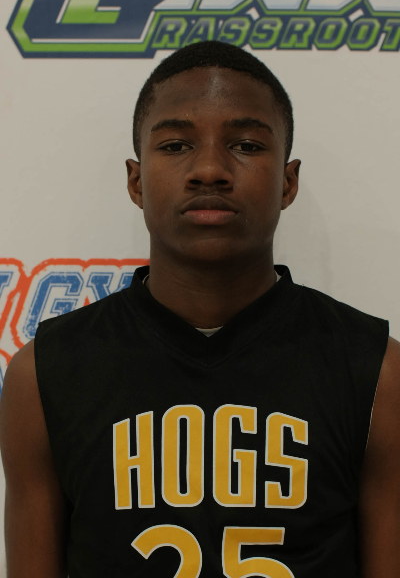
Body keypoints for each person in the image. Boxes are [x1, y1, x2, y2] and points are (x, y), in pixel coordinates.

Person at [0, 40, 399, 578]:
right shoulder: (44, 374)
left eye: (246, 145)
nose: (209, 169)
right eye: (175, 146)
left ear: (288, 182)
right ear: (136, 181)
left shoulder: (377, 373)